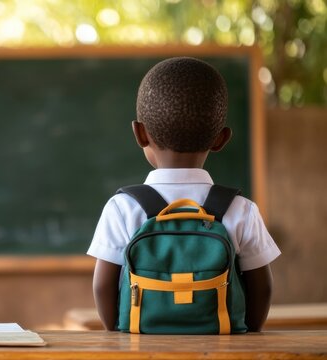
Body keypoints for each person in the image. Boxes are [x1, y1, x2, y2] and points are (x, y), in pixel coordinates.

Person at [87, 57, 281, 332]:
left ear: (140, 133)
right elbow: (262, 288)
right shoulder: (241, 208)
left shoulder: (122, 207)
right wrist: (243, 332)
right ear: (221, 139)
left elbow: (102, 286)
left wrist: (119, 331)